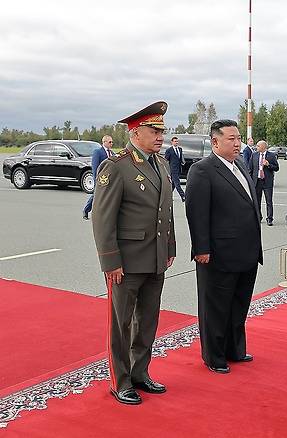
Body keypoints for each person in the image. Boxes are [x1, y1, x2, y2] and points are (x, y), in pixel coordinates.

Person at [91, 102, 175, 405]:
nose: (160, 136)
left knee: (148, 320)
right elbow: (102, 218)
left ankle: (141, 373)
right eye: (154, 130)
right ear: (135, 132)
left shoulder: (162, 163)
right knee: (121, 323)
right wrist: (110, 261)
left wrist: (170, 247)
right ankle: (121, 381)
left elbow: (166, 210)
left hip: (154, 259)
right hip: (125, 262)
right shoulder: (116, 166)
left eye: (162, 131)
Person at [185, 119, 263, 374]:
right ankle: (214, 356)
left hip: (246, 251)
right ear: (215, 142)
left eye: (238, 138)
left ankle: (235, 349)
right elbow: (197, 213)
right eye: (232, 139)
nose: (238, 143)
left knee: (239, 304)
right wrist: (201, 249)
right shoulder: (203, 170)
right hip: (218, 254)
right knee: (216, 307)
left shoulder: (239, 165)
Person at [248, 140, 279, 226]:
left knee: (269, 201)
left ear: (263, 147)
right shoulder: (254, 155)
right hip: (257, 181)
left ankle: (270, 218)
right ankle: (258, 217)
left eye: (258, 146)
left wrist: (268, 165)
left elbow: (276, 168)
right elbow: (250, 169)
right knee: (257, 201)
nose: (256, 147)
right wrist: (249, 181)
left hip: (267, 182)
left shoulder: (271, 156)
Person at [83, 135, 114, 220]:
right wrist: (96, 178)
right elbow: (95, 166)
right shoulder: (98, 152)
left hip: (109, 178)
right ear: (104, 142)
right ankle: (86, 210)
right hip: (100, 178)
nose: (111, 144)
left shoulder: (112, 153)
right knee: (96, 195)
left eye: (112, 142)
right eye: (110, 142)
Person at [164, 136, 185, 201]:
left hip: (178, 169)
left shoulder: (180, 149)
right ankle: (183, 196)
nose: (176, 142)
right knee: (177, 183)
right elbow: (166, 160)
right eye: (175, 141)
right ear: (172, 142)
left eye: (177, 141)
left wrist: (182, 162)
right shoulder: (169, 150)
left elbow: (180, 158)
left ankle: (167, 196)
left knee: (173, 185)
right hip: (172, 170)